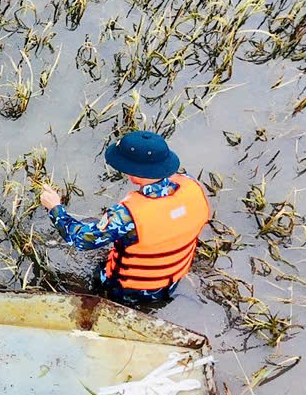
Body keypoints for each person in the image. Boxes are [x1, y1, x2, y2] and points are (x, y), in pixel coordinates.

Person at [38, 130, 210, 305]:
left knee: (91, 271)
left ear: (133, 176)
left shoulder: (126, 215)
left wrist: (55, 208)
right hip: (172, 280)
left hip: (130, 290)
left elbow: (80, 239)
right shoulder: (192, 186)